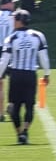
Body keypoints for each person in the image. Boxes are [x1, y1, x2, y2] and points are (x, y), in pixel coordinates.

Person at [0, 9, 51, 144]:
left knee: (14, 106)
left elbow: (4, 60)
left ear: (18, 21)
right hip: (30, 74)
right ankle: (25, 131)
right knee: (29, 105)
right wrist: (47, 73)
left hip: (16, 74)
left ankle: (19, 133)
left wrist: (0, 75)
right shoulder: (38, 36)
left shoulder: (11, 38)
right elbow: (43, 57)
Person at [0, 0, 18, 122]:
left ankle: (0, 113)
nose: (14, 5)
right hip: (10, 51)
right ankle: (11, 104)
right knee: (15, 81)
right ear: (8, 4)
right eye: (12, 3)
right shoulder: (14, 17)